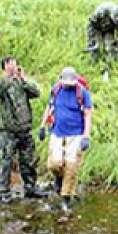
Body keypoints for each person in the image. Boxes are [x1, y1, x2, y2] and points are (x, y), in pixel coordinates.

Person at [38, 67, 93, 212]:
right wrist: (42, 126)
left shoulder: (82, 93)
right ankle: (59, 178)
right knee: (53, 164)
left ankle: (66, 199)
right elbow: (49, 107)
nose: (68, 85)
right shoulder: (56, 89)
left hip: (76, 134)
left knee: (71, 166)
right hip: (57, 132)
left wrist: (86, 136)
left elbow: (88, 115)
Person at [0, 57, 46, 203]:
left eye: (15, 64)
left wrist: (23, 78)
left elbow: (36, 93)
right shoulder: (2, 83)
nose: (13, 67)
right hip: (8, 130)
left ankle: (30, 187)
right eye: (10, 65)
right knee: (6, 161)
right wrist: (8, 77)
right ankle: (4, 192)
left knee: (27, 160)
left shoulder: (21, 83)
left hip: (24, 129)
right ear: (4, 67)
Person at [85, 2, 118, 80]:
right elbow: (91, 26)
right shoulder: (101, 11)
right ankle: (93, 67)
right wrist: (92, 42)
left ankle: (108, 68)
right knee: (95, 49)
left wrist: (115, 49)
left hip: (110, 29)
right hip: (96, 27)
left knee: (109, 48)